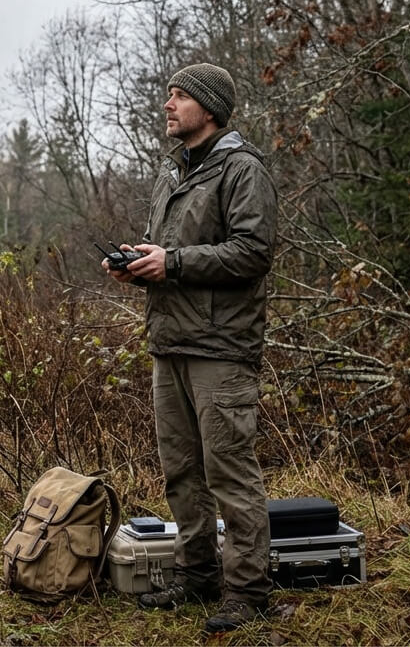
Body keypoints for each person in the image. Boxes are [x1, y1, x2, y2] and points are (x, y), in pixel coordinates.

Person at [102, 62, 277, 632]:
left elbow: (252, 251)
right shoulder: (170, 171)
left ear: (209, 108)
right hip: (170, 339)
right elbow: (174, 249)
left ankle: (248, 594)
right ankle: (198, 578)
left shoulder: (243, 170)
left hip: (221, 347)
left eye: (179, 97)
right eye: (169, 95)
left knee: (229, 471)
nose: (168, 105)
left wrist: (173, 262)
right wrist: (141, 261)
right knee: (181, 470)